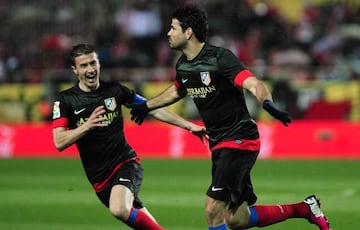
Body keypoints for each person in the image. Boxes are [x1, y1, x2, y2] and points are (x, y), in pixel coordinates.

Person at [130, 5, 330, 230]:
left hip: (239, 139)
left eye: (173, 28)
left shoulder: (220, 58)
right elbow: (177, 91)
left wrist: (267, 103)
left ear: (188, 32)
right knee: (236, 219)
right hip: (219, 144)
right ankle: (303, 208)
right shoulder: (183, 65)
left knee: (212, 208)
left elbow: (253, 83)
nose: (168, 33)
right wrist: (147, 105)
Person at [52, 43, 206, 230]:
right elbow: (59, 141)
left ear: (99, 64)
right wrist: (86, 126)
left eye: (93, 63)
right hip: (99, 179)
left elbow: (152, 108)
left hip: (125, 163)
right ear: (75, 70)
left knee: (119, 209)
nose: (90, 69)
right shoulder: (65, 100)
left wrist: (189, 126)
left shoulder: (115, 91)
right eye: (84, 66)